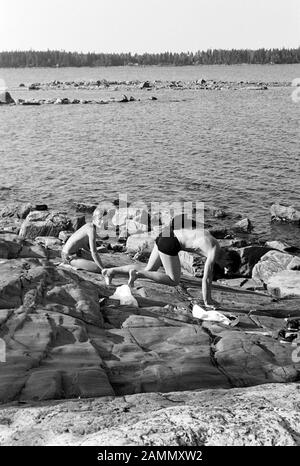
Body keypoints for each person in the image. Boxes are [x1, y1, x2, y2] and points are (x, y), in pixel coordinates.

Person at [102, 214, 240, 308]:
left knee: (150, 270)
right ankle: (138, 275)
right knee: (173, 280)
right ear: (227, 261)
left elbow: (189, 229)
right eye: (226, 268)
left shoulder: (211, 239)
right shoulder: (214, 251)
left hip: (166, 234)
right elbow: (206, 279)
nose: (223, 270)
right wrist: (208, 301)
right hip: (170, 242)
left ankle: (110, 271)